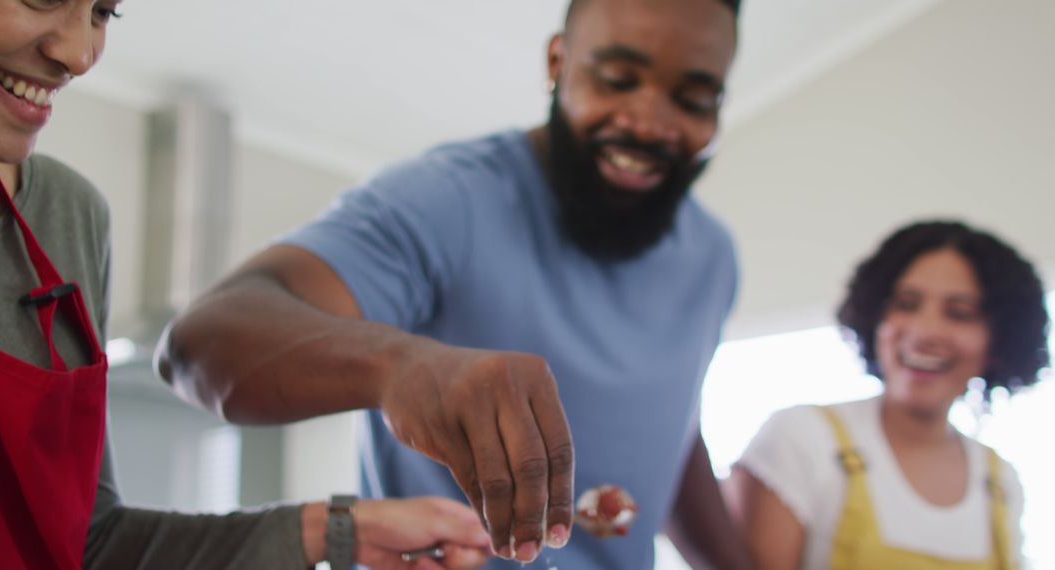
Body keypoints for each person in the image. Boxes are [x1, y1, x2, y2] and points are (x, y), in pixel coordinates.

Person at [158, 0, 752, 568]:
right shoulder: (445, 200)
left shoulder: (714, 258)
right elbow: (200, 345)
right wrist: (399, 366)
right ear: (558, 63)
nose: (648, 123)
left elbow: (675, 434)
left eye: (694, 99)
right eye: (618, 79)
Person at [0, 1, 490, 568]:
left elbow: (89, 547)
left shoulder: (64, 217)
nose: (77, 54)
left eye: (103, 13)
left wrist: (337, 531)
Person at [727, 220, 1050, 569]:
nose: (925, 331)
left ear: (1000, 342)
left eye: (959, 313)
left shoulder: (1000, 482)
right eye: (906, 304)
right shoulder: (802, 438)